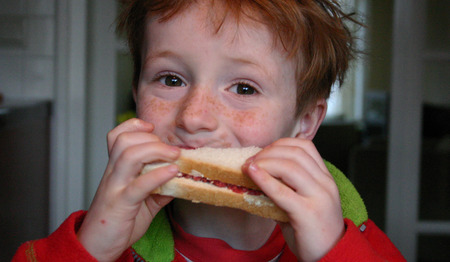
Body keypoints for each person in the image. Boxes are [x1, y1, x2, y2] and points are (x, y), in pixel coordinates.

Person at [13, 0, 406, 261]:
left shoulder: (350, 238)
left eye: (244, 88)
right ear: (135, 94)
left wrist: (333, 253)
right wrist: (94, 247)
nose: (194, 117)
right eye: (170, 80)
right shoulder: (105, 237)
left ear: (304, 123)